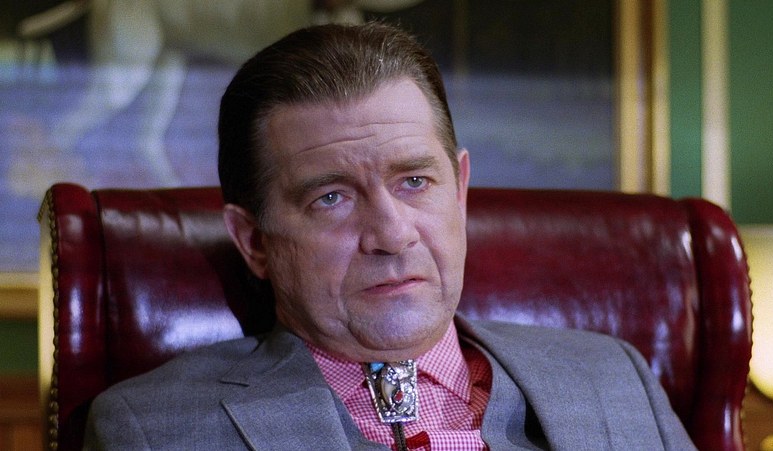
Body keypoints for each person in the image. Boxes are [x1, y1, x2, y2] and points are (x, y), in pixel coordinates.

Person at [84, 22, 696, 450]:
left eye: (415, 182)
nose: (392, 234)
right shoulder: (153, 430)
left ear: (459, 190)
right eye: (331, 197)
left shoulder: (616, 378)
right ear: (254, 242)